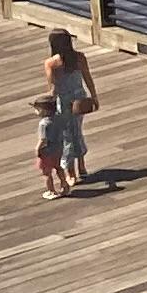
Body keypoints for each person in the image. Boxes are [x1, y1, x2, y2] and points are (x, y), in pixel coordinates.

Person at [35, 29, 101, 195]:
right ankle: (82, 165)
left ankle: (70, 172)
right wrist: (94, 97)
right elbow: (88, 77)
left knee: (67, 136)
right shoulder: (79, 58)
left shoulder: (51, 63)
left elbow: (53, 89)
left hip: (63, 103)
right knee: (76, 131)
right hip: (79, 99)